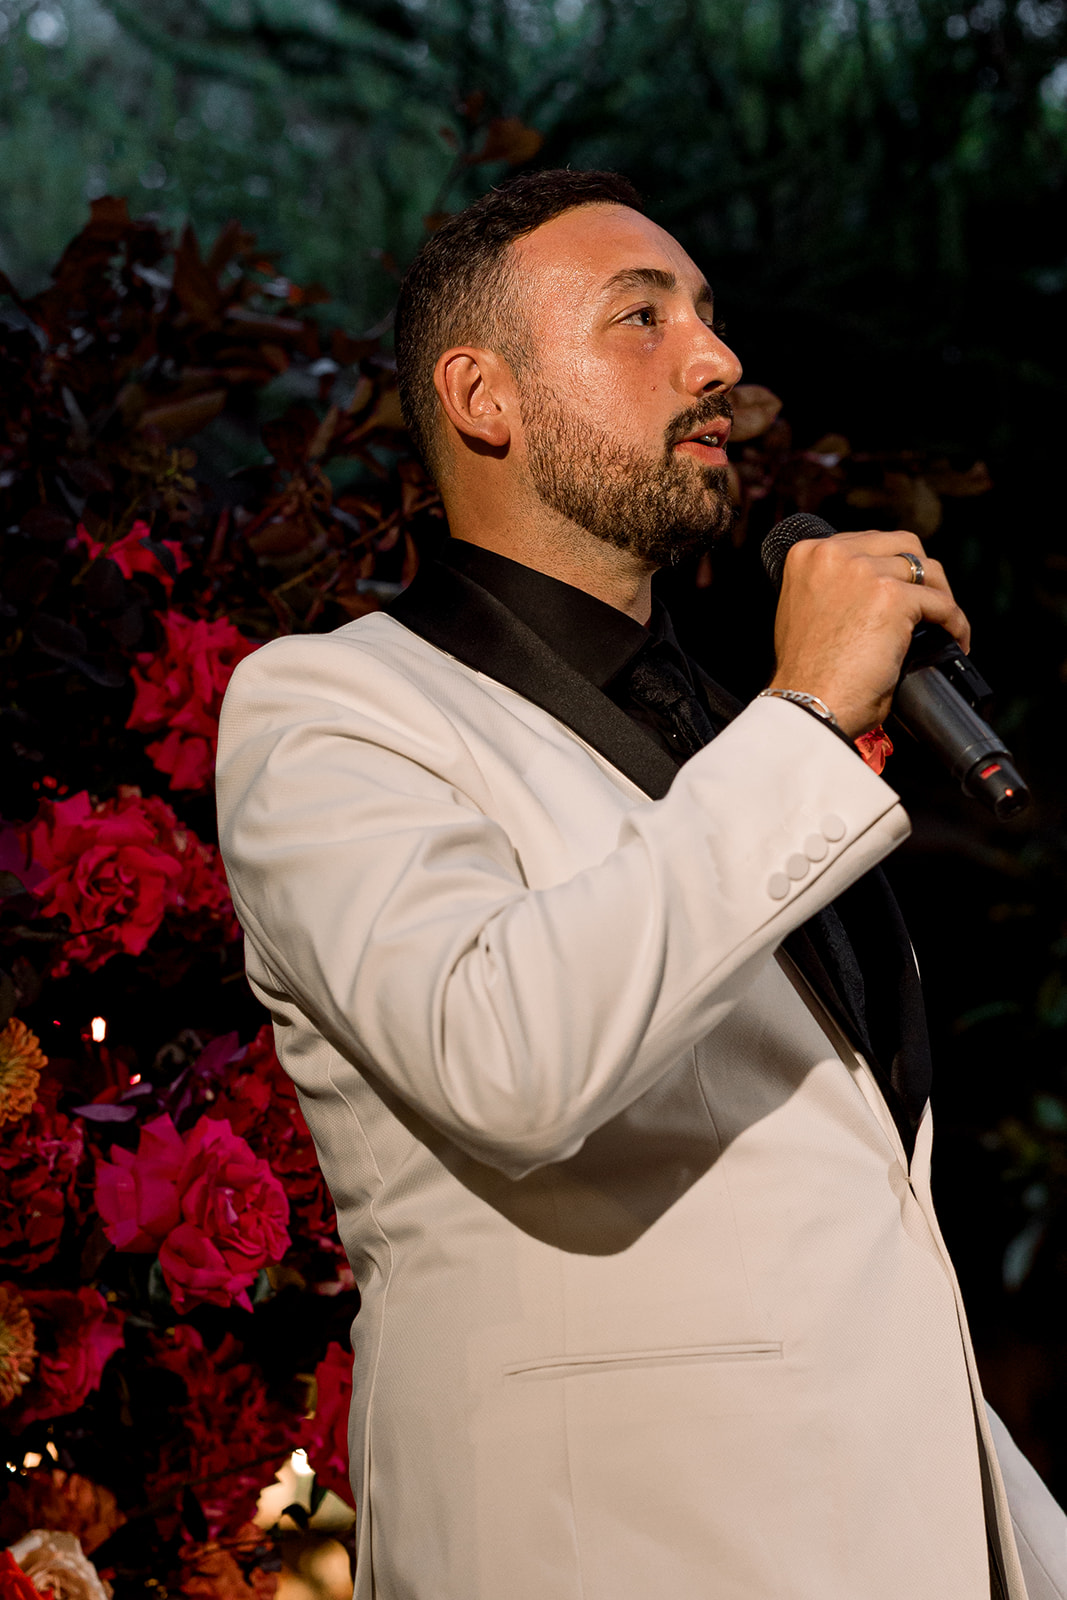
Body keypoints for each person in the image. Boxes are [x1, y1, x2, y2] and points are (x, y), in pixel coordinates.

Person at [215, 170, 1067, 1599]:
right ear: (484, 398)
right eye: (641, 317)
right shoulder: (332, 709)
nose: (717, 359)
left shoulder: (735, 733)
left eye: (710, 314)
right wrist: (807, 716)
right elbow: (504, 1059)